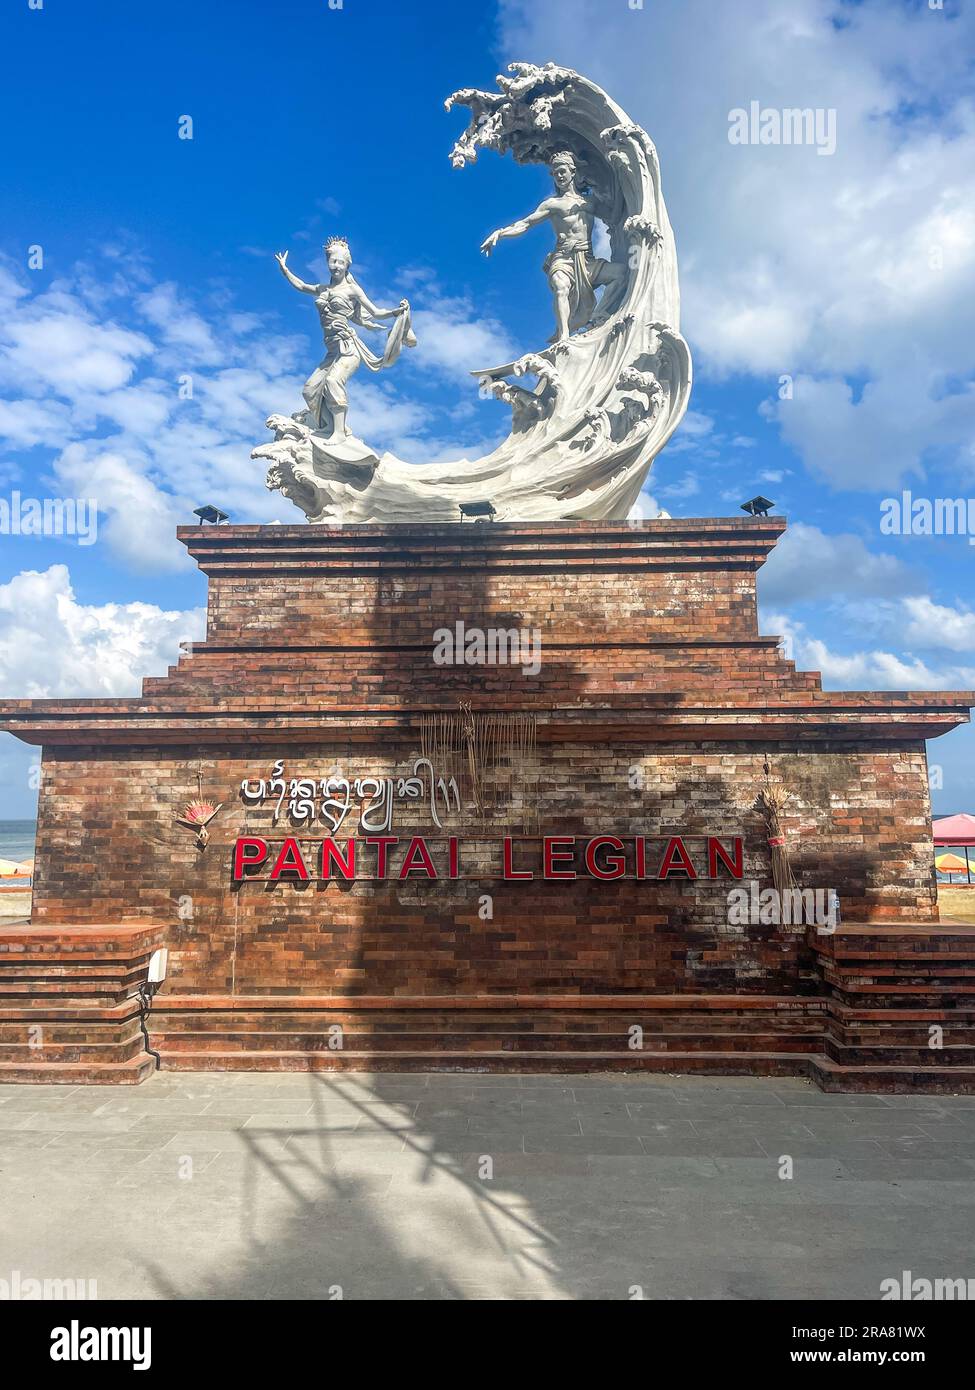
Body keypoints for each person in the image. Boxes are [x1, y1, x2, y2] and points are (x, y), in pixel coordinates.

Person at [275, 237, 415, 439]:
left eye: (340, 262)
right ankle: (327, 427)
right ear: (328, 263)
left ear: (347, 265)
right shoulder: (323, 289)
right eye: (333, 261)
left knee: (333, 382)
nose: (336, 266)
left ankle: (339, 433)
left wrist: (395, 312)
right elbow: (302, 286)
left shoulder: (353, 290)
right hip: (332, 352)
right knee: (309, 390)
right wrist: (285, 270)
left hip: (348, 348)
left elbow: (375, 312)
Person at [480, 150, 626, 342]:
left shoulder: (590, 202)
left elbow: (615, 215)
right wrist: (500, 233)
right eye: (555, 173)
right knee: (560, 286)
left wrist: (621, 175)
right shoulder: (552, 204)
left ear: (573, 171)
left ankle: (597, 319)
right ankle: (564, 336)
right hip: (563, 258)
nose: (559, 176)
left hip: (586, 259)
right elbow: (525, 223)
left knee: (621, 274)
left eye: (562, 171)